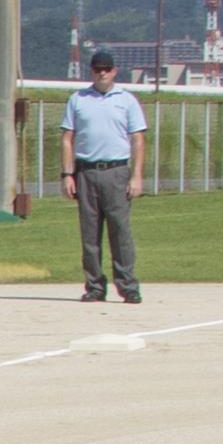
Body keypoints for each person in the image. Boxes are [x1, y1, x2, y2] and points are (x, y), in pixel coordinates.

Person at [65, 45, 145, 302]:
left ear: (114, 72)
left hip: (116, 171)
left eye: (106, 70)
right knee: (90, 234)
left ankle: (128, 285)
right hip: (86, 171)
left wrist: (137, 175)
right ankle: (95, 286)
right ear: (92, 71)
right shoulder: (78, 99)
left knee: (120, 231)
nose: (102, 74)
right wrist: (67, 174)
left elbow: (138, 140)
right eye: (98, 70)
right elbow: (67, 138)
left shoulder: (126, 100)